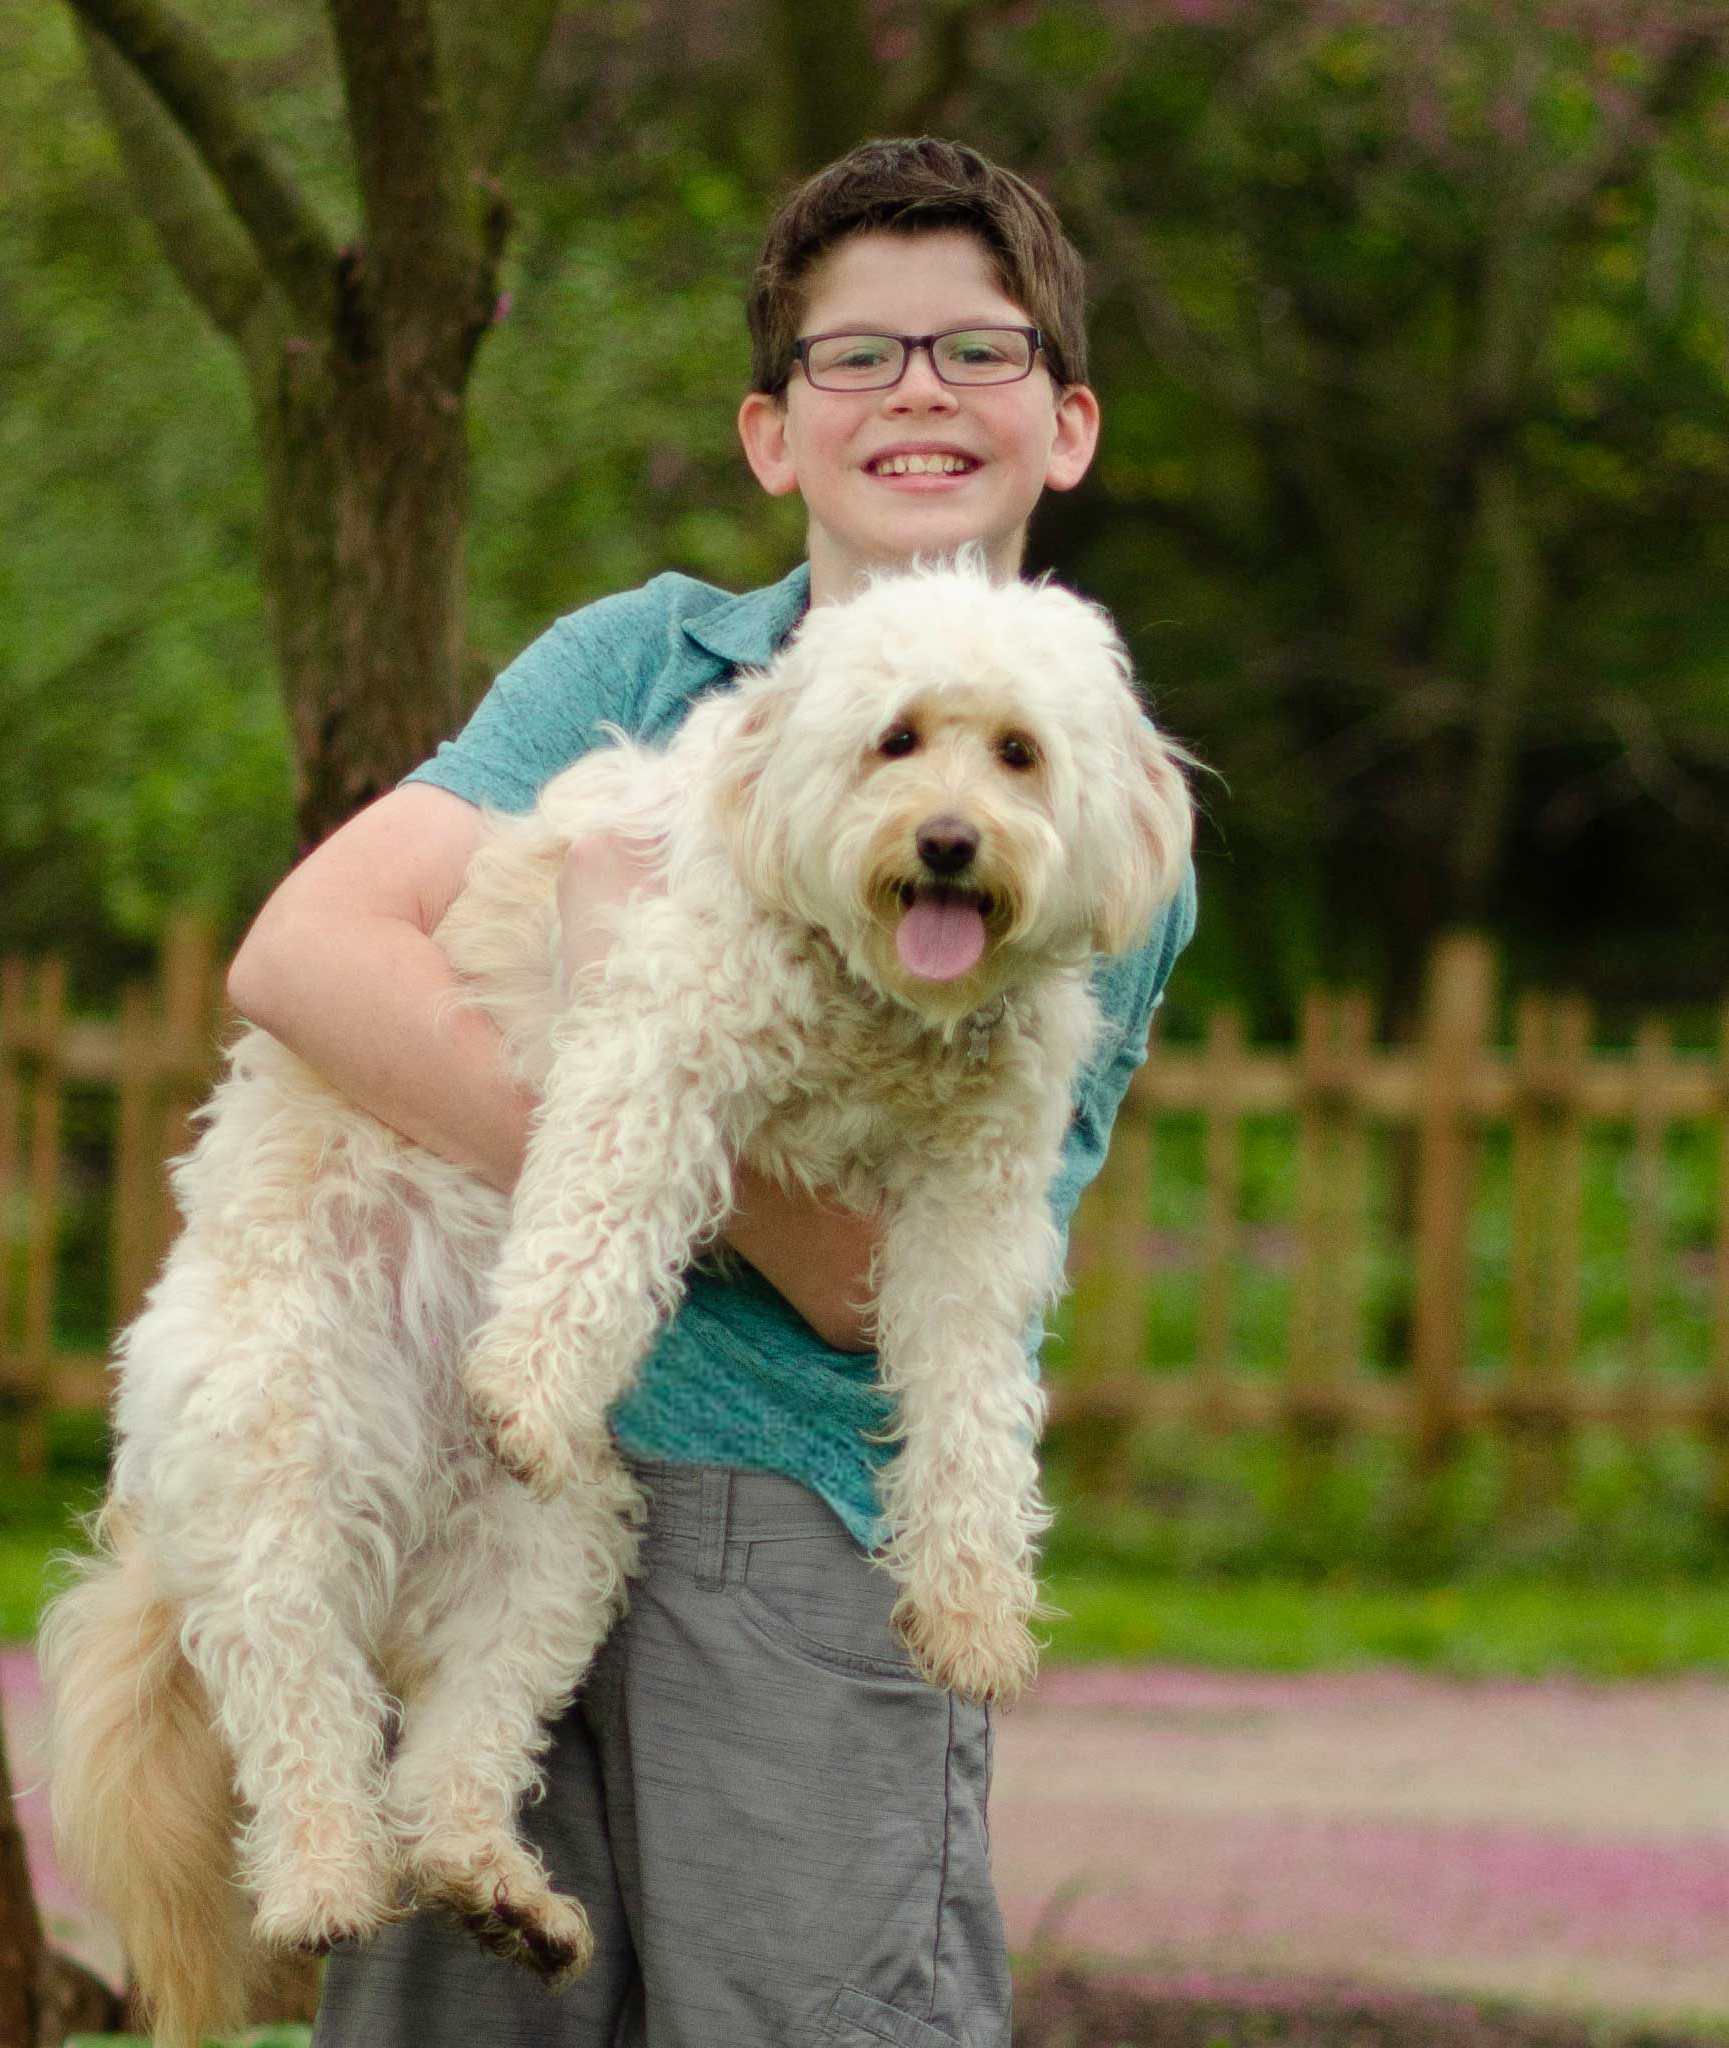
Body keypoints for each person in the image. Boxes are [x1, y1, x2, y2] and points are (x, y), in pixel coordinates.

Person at [227, 135, 1196, 2048]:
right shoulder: (634, 659)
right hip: (473, 1451)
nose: (919, 390)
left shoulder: (1094, 819)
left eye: (979, 353)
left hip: (791, 1521)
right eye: (858, 357)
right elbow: (303, 958)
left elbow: (869, 1279)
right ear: (772, 433)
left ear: (1066, 424)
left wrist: (638, 1076)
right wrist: (621, 1091)